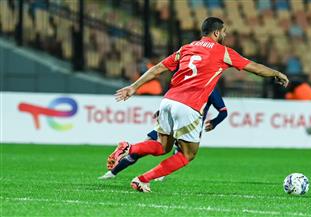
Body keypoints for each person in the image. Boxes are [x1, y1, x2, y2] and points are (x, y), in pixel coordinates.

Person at [103, 17, 289, 192]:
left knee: (162, 146)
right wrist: (276, 74)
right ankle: (142, 179)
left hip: (168, 101)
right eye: (223, 32)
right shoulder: (223, 52)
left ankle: (129, 148)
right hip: (188, 105)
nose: (224, 35)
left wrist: (134, 86)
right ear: (216, 33)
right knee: (187, 155)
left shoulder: (186, 48)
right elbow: (253, 67)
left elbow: (159, 67)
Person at [100, 88, 228, 181]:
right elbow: (223, 112)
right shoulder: (209, 88)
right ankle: (120, 173)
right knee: (183, 154)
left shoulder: (186, 81)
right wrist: (214, 123)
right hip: (189, 125)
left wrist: (161, 111)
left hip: (174, 120)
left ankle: (120, 166)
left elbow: (172, 100)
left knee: (153, 147)